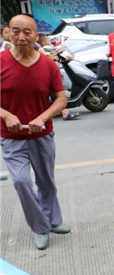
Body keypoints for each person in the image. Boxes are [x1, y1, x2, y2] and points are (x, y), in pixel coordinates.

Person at [0, 14, 70, 250]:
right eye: (15, 31)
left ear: (36, 35)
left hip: (42, 135)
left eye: (26, 32)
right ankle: (41, 227)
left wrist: (42, 118)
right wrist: (6, 115)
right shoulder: (1, 61)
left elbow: (61, 99)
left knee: (46, 181)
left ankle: (53, 221)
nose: (21, 37)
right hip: (11, 137)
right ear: (8, 33)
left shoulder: (48, 65)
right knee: (21, 181)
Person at [36, 35, 80, 121]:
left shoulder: (41, 48)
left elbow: (50, 53)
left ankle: (60, 111)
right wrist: (54, 57)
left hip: (46, 73)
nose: (49, 41)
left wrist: (58, 51)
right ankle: (64, 112)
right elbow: (46, 57)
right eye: (47, 40)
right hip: (44, 74)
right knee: (56, 92)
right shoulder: (39, 48)